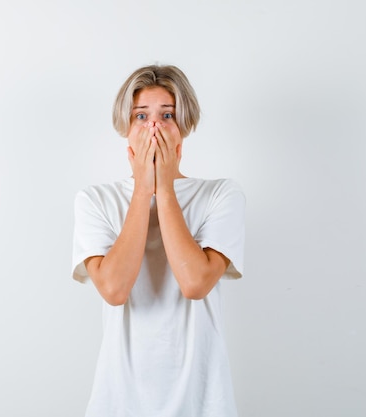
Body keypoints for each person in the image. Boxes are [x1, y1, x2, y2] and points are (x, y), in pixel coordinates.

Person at [71, 64, 246, 417]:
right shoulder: (95, 200)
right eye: (141, 116)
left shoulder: (221, 195)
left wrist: (164, 188)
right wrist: (142, 190)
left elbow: (195, 283)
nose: (154, 126)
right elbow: (115, 290)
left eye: (167, 114)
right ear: (126, 127)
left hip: (202, 401)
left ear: (184, 125)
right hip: (118, 403)